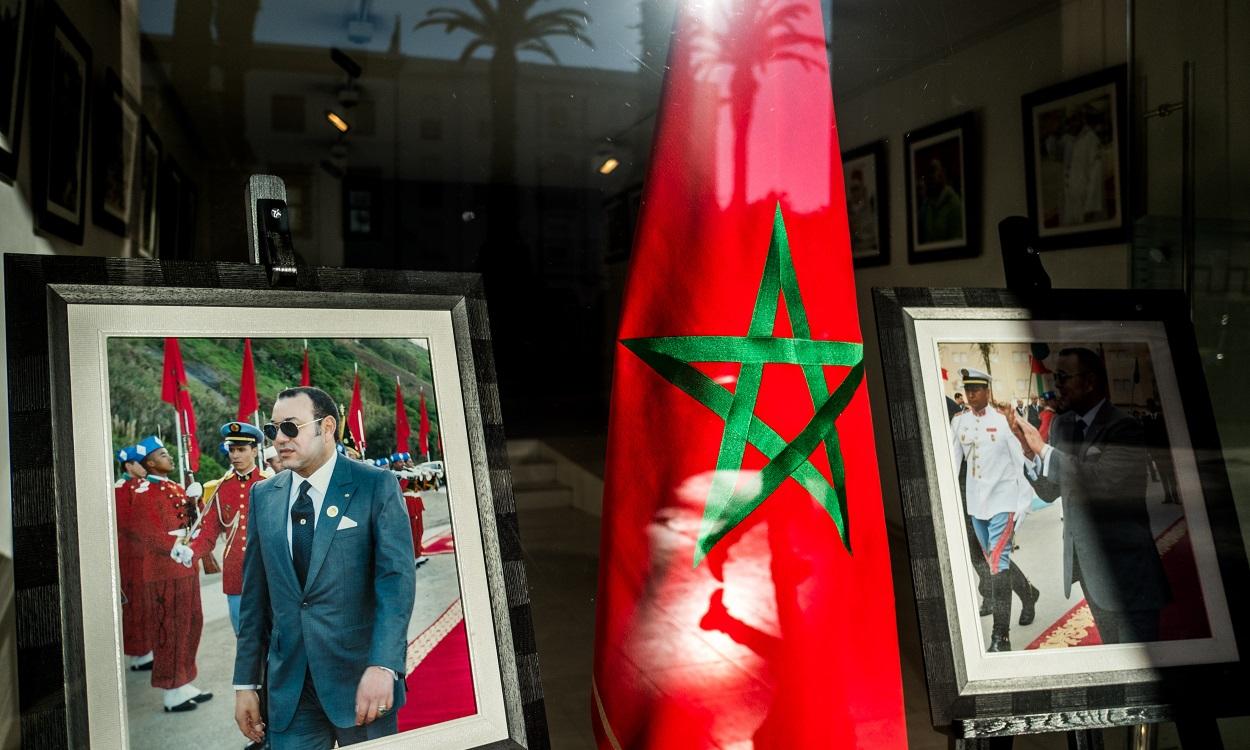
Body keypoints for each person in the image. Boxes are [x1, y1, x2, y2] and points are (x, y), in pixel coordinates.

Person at [233, 386, 415, 748]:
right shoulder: (263, 496)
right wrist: (246, 684)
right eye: (273, 430)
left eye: (290, 427)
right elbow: (255, 597)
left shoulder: (375, 485)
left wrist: (383, 665)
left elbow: (395, 584)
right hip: (290, 688)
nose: (279, 439)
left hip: (361, 683)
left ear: (327, 427)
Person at [1014, 348, 1171, 644]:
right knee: (1112, 652)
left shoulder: (1125, 427)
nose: (1056, 384)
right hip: (1089, 570)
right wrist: (1028, 453)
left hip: (1128, 573)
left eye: (1063, 376)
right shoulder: (1063, 425)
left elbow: (1102, 482)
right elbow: (1050, 492)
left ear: (1090, 381)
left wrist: (1045, 451)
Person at [950, 368, 1040, 651]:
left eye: (976, 389)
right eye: (968, 389)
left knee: (997, 566)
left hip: (1003, 501)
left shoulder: (1002, 422)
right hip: (976, 505)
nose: (971, 394)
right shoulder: (959, 423)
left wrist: (1023, 501)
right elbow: (953, 463)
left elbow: (1019, 462)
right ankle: (1029, 594)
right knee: (993, 562)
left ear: (987, 392)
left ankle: (1000, 637)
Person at [124, 436, 214, 712]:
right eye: (163, 454)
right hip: (164, 569)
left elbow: (190, 521)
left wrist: (195, 502)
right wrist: (172, 545)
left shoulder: (173, 486)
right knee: (169, 629)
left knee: (191, 623)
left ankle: (183, 681)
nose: (170, 457)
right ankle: (171, 690)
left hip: (184, 566)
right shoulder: (143, 491)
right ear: (150, 463)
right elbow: (145, 531)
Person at [197, 422, 270, 635]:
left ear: (254, 451)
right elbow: (209, 532)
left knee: (272, 637)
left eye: (242, 450)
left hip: (266, 572)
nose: (235, 455)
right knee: (244, 635)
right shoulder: (220, 488)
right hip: (236, 573)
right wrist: (191, 552)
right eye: (232, 450)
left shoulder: (271, 484)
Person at [115, 445, 154, 672]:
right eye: (140, 462)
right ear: (128, 465)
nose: (144, 466)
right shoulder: (121, 488)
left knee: (147, 604)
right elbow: (128, 523)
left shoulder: (143, 485)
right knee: (135, 605)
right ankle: (138, 655)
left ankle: (146, 649)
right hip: (131, 557)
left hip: (146, 555)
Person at [918, 157, 964, 243]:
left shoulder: (955, 204)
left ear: (944, 173)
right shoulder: (926, 206)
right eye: (928, 172)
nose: (930, 176)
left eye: (933, 170)